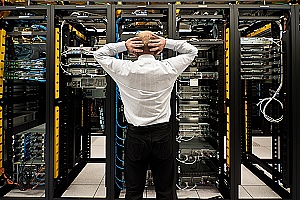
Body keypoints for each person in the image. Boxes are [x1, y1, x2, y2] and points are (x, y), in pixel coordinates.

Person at [94, 31, 198, 200]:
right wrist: (167, 42)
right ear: (158, 50)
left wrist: (124, 46)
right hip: (162, 135)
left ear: (134, 50)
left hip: (136, 136)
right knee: (165, 190)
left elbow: (99, 53)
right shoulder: (168, 67)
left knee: (134, 191)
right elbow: (192, 51)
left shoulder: (125, 69)